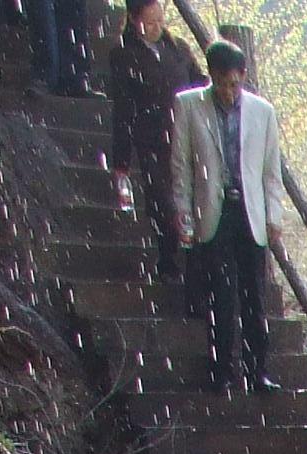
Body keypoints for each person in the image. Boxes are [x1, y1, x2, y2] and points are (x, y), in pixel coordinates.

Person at [173, 41, 284, 396]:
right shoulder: (189, 106)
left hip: (249, 211)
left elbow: (270, 171)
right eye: (221, 83)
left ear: (243, 78)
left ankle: (258, 371)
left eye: (234, 84)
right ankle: (221, 369)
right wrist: (184, 215)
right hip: (213, 210)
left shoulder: (262, 113)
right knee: (220, 295)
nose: (227, 91)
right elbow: (181, 166)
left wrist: (274, 214)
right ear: (212, 77)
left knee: (254, 296)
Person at [108, 0, 199, 272]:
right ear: (135, 21)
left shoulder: (178, 49)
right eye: (150, 22)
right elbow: (123, 109)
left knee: (190, 197)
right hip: (151, 139)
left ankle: (192, 263)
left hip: (184, 135)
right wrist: (121, 159)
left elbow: (199, 83)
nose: (157, 27)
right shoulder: (124, 55)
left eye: (161, 20)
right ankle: (168, 259)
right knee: (162, 201)